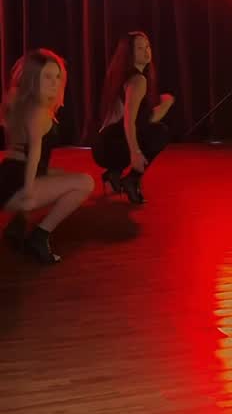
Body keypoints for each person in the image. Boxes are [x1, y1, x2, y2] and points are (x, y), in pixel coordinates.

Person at [0, 49, 94, 263]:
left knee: (65, 176)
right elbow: (34, 153)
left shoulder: (23, 102)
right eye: (47, 77)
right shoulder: (38, 110)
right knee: (85, 183)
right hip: (18, 183)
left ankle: (18, 225)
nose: (54, 83)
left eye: (57, 76)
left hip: (11, 174)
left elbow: (18, 148)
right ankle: (40, 236)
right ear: (34, 79)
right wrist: (28, 192)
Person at [92, 31, 172, 203]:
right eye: (140, 48)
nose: (146, 51)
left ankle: (114, 173)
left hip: (103, 144)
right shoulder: (138, 80)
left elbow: (140, 121)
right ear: (130, 54)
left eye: (148, 46)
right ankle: (132, 179)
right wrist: (135, 153)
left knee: (150, 130)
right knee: (160, 132)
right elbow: (129, 121)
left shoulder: (123, 76)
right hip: (110, 145)